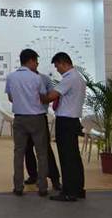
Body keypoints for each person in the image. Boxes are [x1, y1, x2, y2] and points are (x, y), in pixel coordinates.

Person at [42, 52, 86, 202]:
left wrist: (35, 95)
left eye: (57, 66)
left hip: (66, 121)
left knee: (66, 158)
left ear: (63, 63)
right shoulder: (78, 77)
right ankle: (78, 189)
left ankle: (68, 192)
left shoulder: (69, 79)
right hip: (73, 121)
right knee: (74, 157)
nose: (57, 69)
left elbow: (51, 96)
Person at [5, 49, 49, 197]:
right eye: (36, 61)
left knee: (19, 153)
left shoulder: (11, 77)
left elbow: (11, 98)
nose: (37, 64)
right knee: (41, 153)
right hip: (37, 118)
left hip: (19, 118)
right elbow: (42, 96)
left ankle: (18, 187)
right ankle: (42, 187)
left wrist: (22, 101)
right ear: (30, 60)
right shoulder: (37, 78)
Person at [24, 69, 61, 190]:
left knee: (45, 149)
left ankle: (54, 179)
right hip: (25, 117)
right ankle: (33, 175)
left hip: (40, 117)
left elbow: (51, 96)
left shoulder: (45, 79)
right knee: (27, 148)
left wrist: (40, 97)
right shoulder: (21, 78)